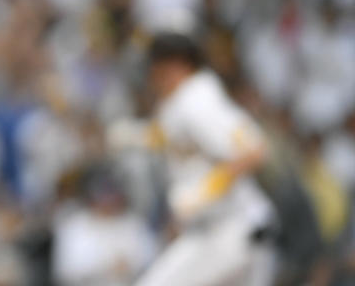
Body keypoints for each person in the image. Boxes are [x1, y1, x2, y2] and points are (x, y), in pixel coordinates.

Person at [110, 31, 277, 286]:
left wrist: (203, 191)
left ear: (176, 64)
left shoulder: (197, 100)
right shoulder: (183, 100)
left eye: (155, 63)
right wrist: (139, 136)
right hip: (215, 230)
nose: (150, 73)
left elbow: (255, 151)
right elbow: (177, 139)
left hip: (236, 228)